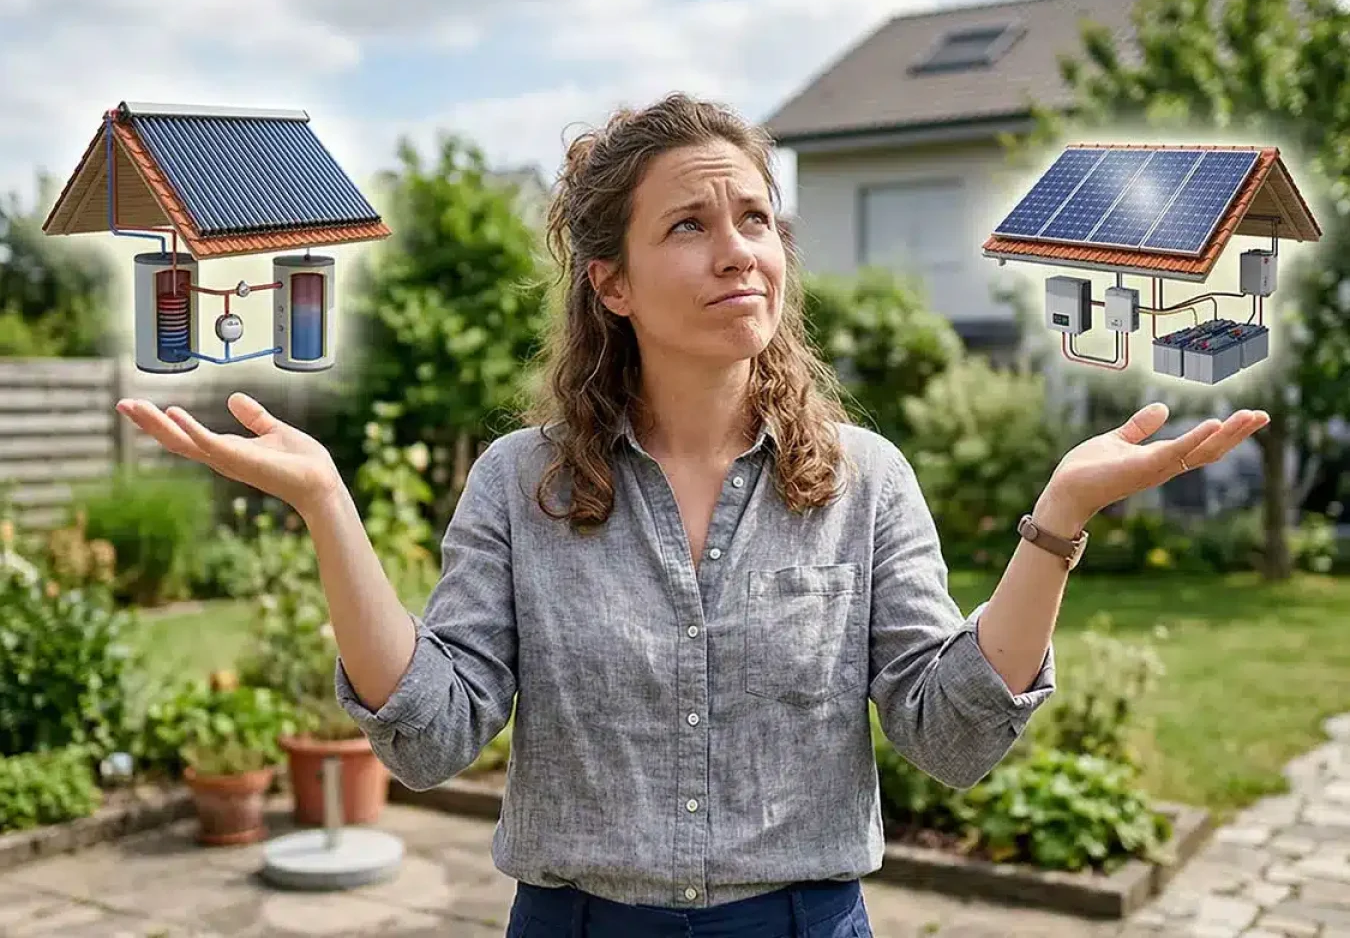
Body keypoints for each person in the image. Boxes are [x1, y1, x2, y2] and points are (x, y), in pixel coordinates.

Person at [117, 92, 1267, 938]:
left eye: (758, 222)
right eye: (689, 227)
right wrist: (328, 506)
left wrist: (1058, 518)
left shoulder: (865, 481)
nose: (741, 256)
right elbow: (433, 735)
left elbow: (949, 736)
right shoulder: (521, 484)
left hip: (803, 924)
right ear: (609, 283)